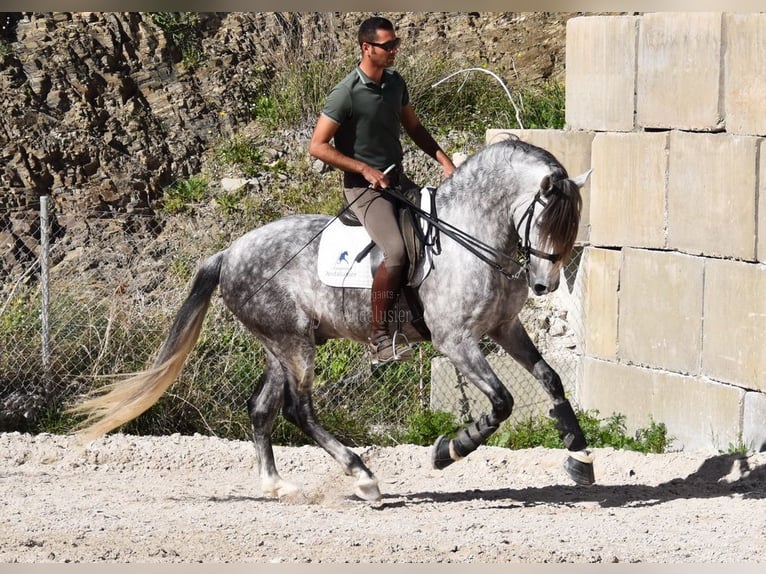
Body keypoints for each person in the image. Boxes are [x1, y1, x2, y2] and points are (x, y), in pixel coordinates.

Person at [309, 16, 456, 364]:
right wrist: (364, 169)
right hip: (364, 190)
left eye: (396, 44)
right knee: (396, 251)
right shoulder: (346, 93)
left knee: (436, 235)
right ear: (366, 48)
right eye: (387, 46)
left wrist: (445, 161)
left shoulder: (395, 83)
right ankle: (379, 339)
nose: (394, 51)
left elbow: (415, 128)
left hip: (398, 181)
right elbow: (318, 145)